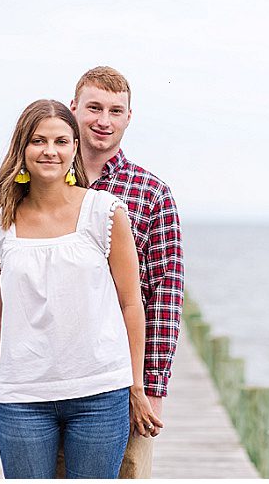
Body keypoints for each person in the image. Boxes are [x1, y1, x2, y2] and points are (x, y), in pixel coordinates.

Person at [0, 99, 163, 479]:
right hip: (24, 398)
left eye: (61, 141)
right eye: (38, 141)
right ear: (22, 148)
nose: (50, 151)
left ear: (75, 147)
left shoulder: (104, 212)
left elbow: (131, 303)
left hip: (100, 394)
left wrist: (138, 386)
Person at [65, 66, 185, 478]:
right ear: (73, 108)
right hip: (52, 375)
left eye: (115, 111)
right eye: (94, 107)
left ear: (129, 118)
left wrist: (152, 387)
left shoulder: (152, 194)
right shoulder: (42, 186)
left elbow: (165, 298)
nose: (103, 120)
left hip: (123, 377)